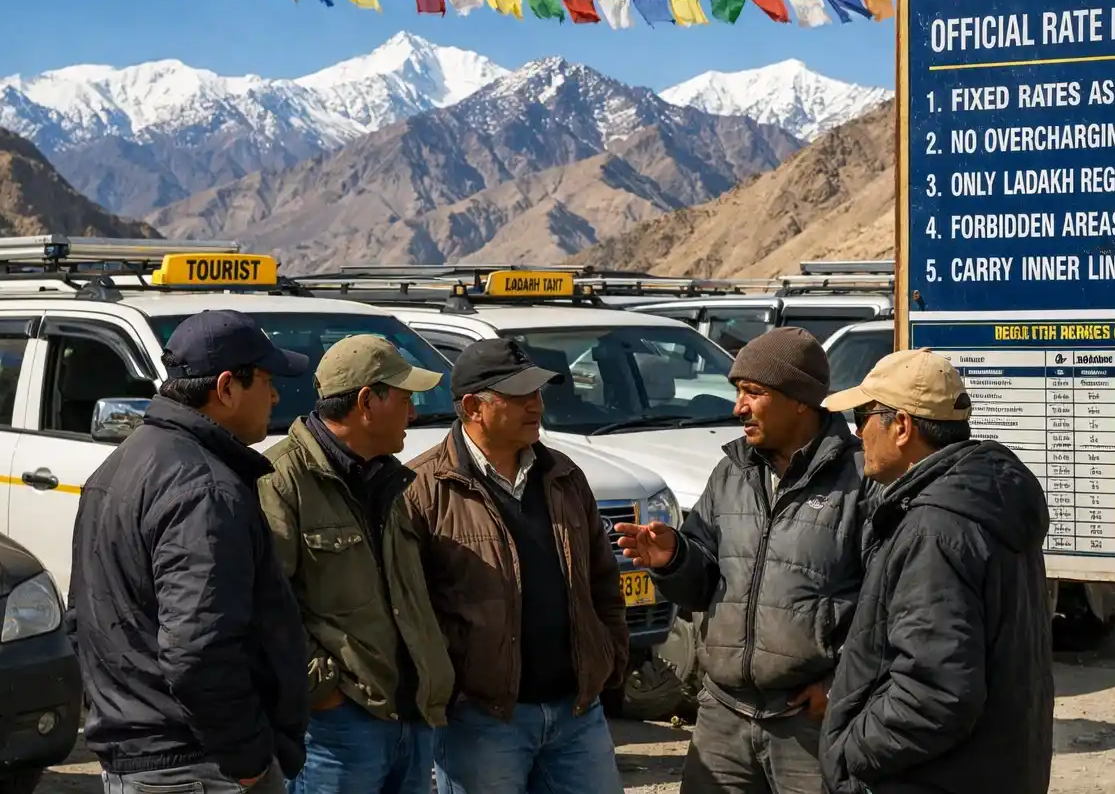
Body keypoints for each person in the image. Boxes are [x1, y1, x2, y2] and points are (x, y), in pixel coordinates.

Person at [615, 326, 877, 794]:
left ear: (800, 399)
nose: (738, 408)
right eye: (739, 392)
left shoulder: (860, 481)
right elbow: (702, 585)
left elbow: (887, 604)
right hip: (722, 718)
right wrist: (673, 559)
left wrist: (841, 685)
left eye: (754, 393)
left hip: (809, 723)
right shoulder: (731, 472)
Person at [68, 309, 312, 794]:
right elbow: (199, 650)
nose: (277, 395)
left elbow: (83, 619)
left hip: (146, 755)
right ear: (226, 388)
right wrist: (250, 764)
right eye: (266, 380)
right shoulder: (203, 489)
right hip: (195, 766)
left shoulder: (123, 465)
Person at [817, 348, 1054, 794]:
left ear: (902, 426)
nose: (856, 432)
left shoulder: (938, 526)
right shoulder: (981, 502)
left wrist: (849, 753)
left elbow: (935, 692)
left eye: (865, 416)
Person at [403, 337, 628, 794]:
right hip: (482, 721)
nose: (536, 407)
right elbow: (411, 610)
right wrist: (451, 688)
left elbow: (603, 580)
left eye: (539, 394)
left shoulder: (564, 476)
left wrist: (610, 660)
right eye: (520, 396)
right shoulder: (423, 489)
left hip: (577, 713)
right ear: (473, 407)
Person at [257, 335, 455, 794]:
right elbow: (266, 606)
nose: (415, 414)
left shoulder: (387, 477)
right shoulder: (281, 480)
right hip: (339, 729)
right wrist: (323, 693)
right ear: (367, 402)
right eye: (405, 399)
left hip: (409, 716)